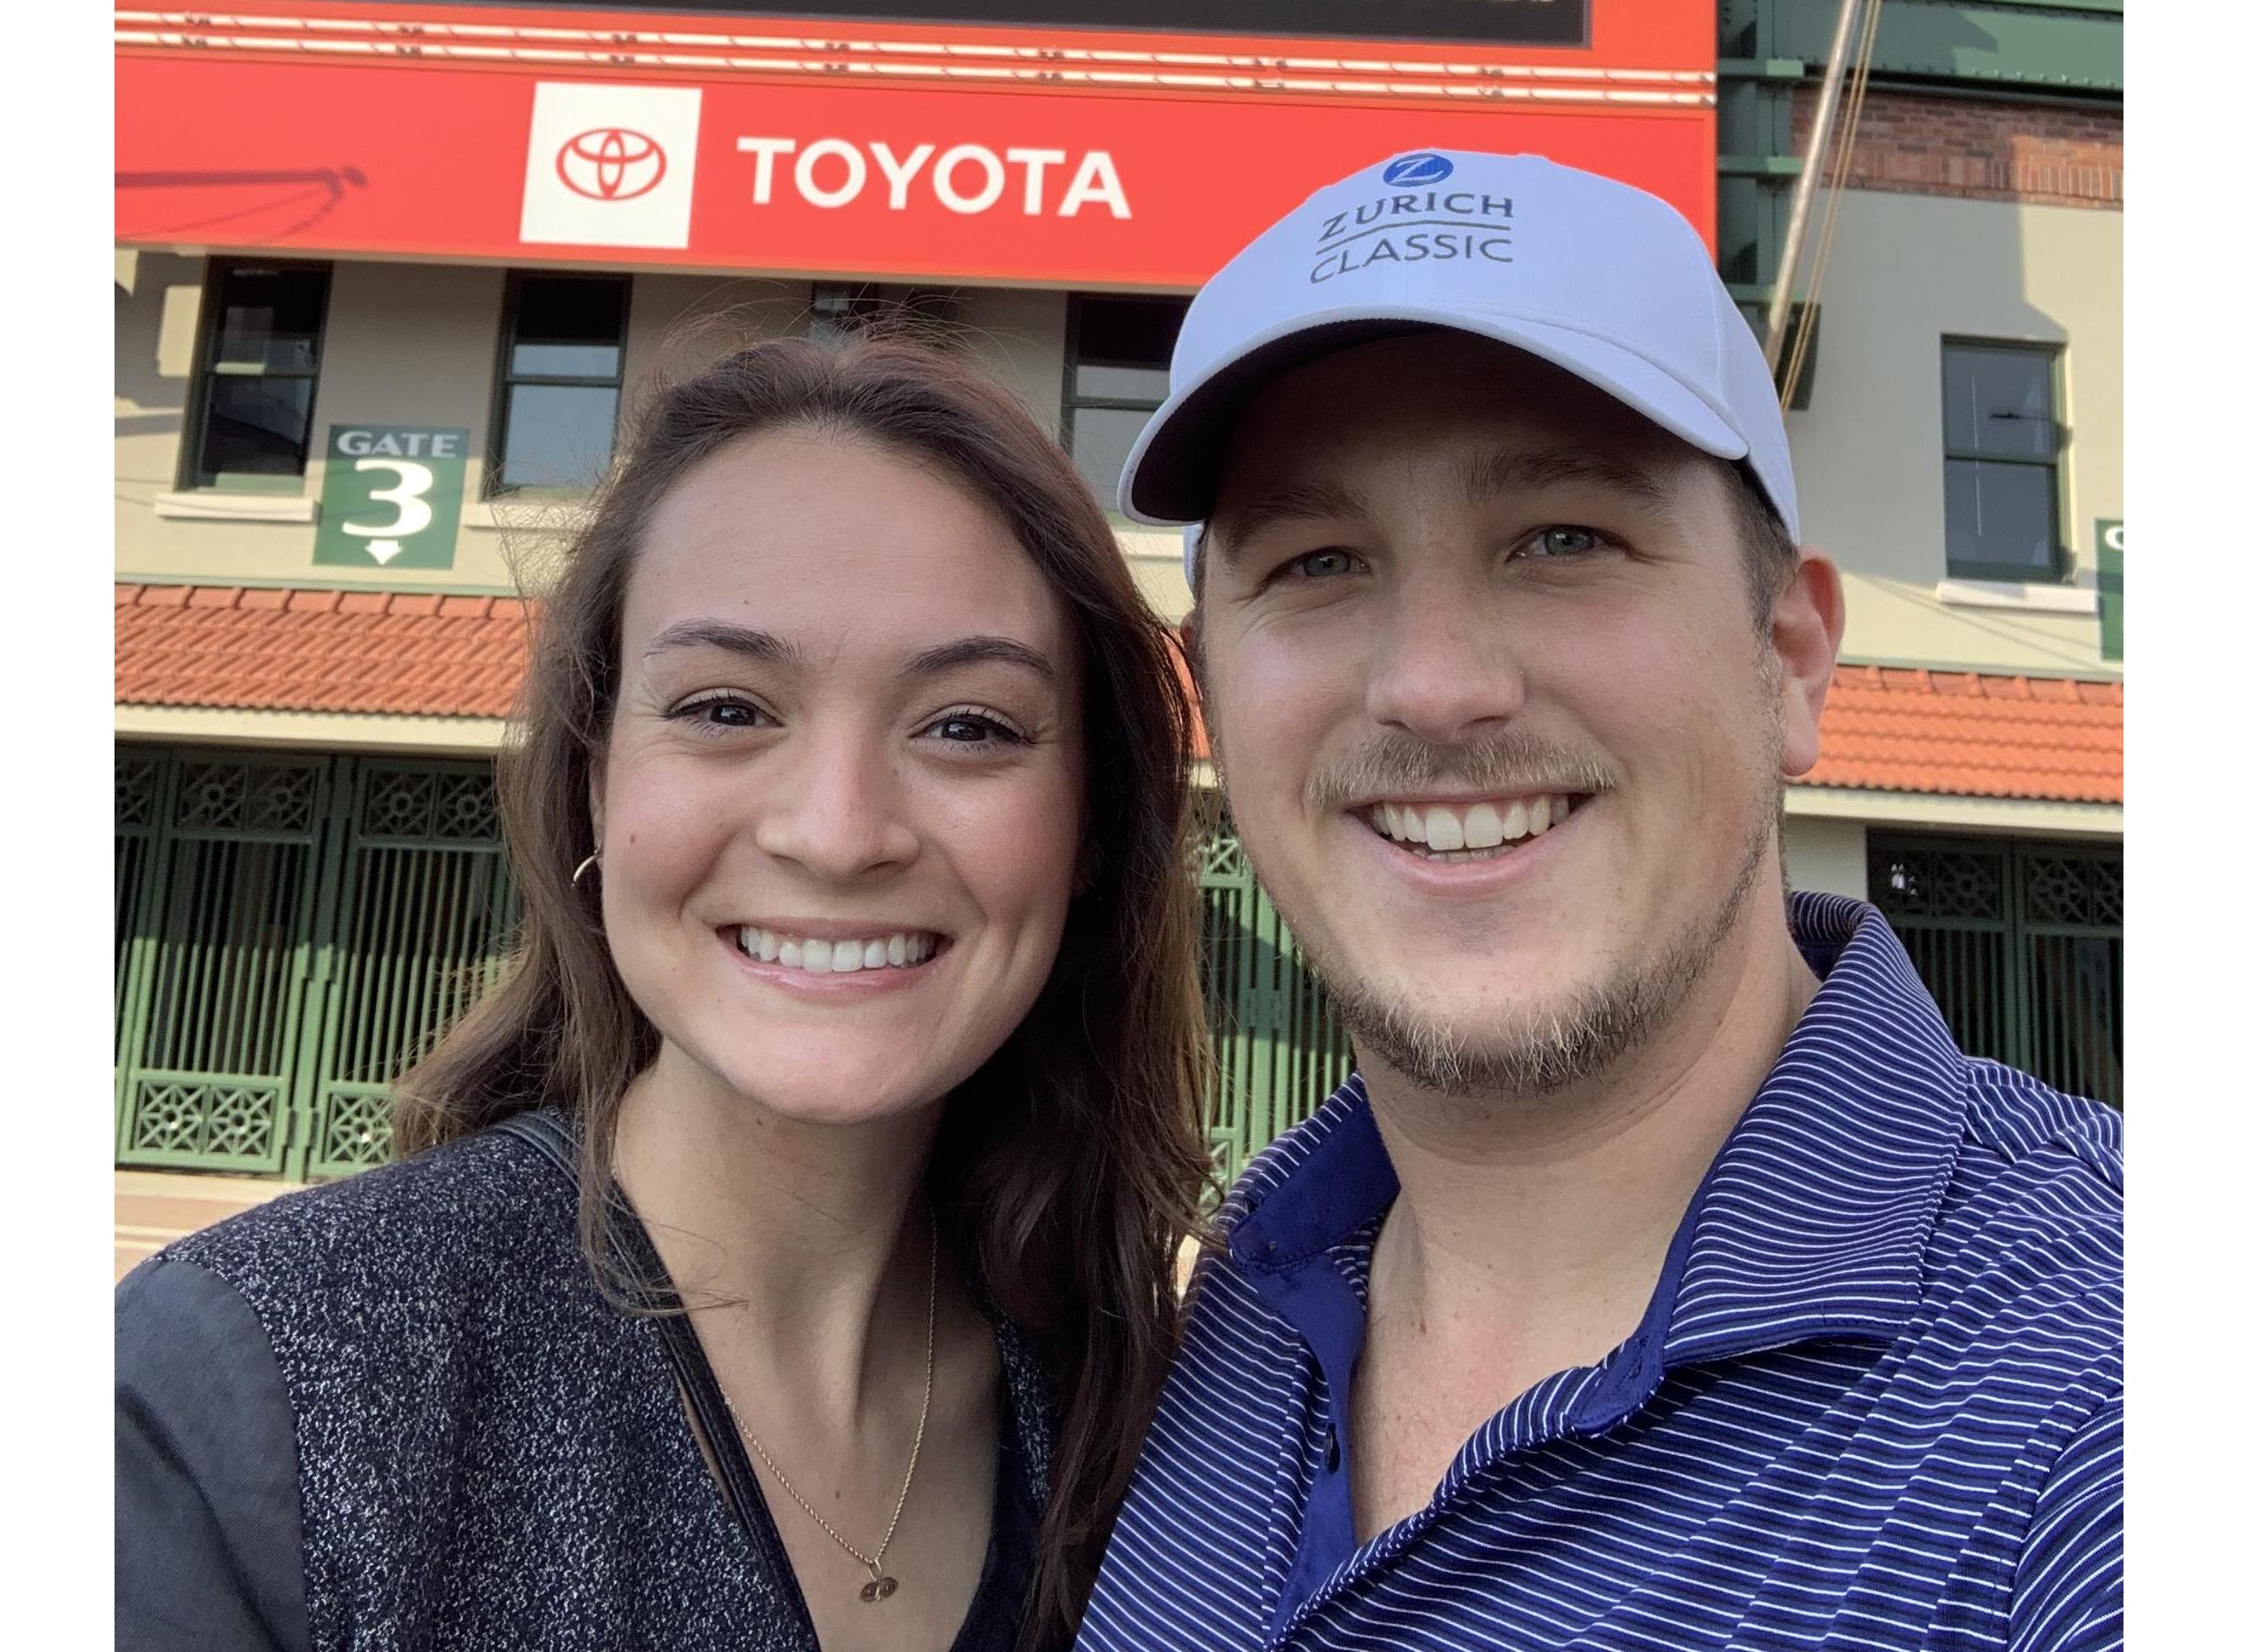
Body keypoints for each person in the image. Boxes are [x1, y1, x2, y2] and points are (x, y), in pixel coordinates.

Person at [1077, 151, 2123, 1651]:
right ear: (1214, 698)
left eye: (1565, 539)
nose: (1436, 686)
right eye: (1316, 562)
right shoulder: (1223, 1317)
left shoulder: (2109, 1395)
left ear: (1790, 657)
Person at [117, 331, 1214, 1652]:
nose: (838, 832)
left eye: (968, 725)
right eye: (726, 708)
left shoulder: (1156, 1421)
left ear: (1093, 827)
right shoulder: (254, 1390)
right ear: (593, 777)